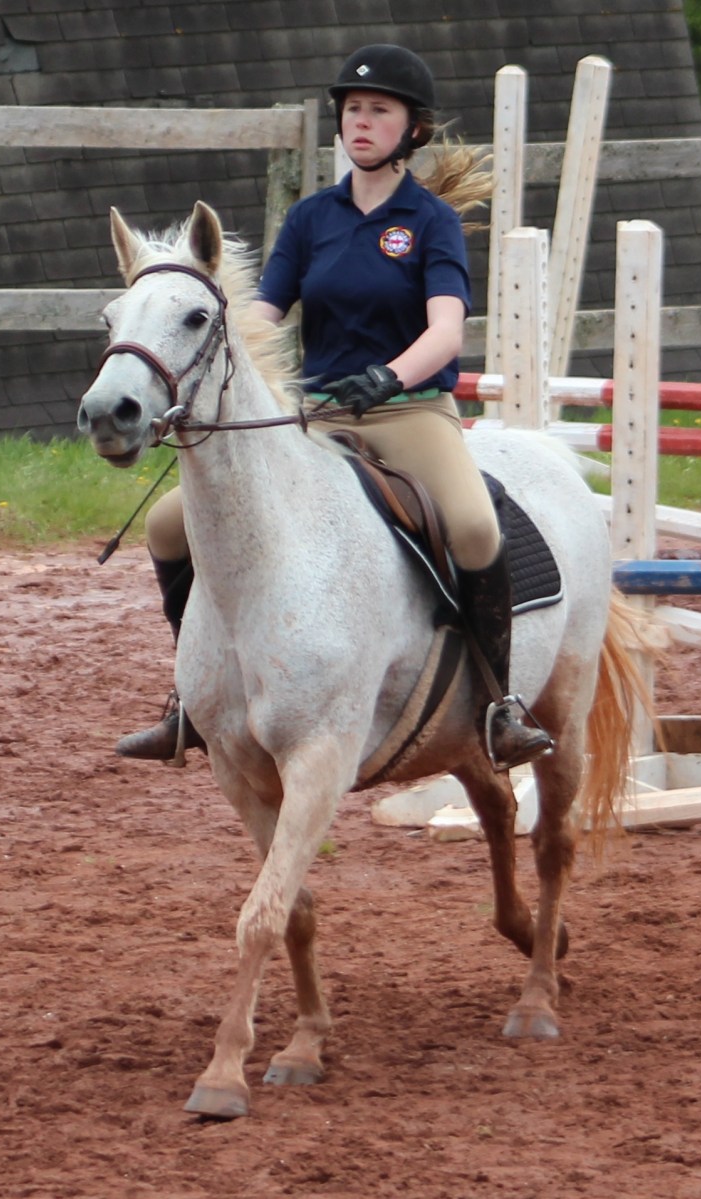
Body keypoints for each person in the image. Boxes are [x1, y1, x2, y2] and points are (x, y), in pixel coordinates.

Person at [117, 44, 552, 773]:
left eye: (378, 110)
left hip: (409, 411)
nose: (361, 121)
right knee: (166, 525)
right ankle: (193, 698)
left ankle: (499, 707)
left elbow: (445, 330)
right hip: (317, 416)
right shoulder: (311, 218)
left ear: (412, 129)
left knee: (475, 527)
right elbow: (260, 315)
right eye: (352, 110)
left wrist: (388, 377)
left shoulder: (430, 222)